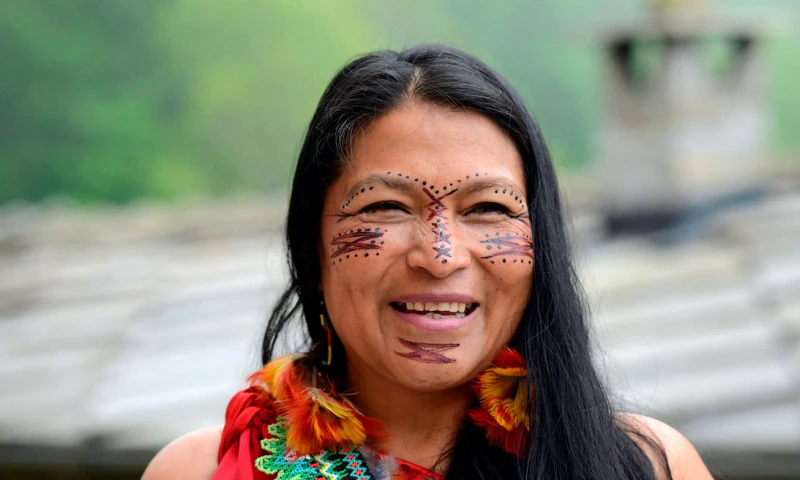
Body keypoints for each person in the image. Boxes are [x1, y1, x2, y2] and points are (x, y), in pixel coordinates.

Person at [142, 44, 713, 480]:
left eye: (488, 208)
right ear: (312, 243)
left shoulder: (646, 467)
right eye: (387, 207)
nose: (440, 257)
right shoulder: (197, 471)